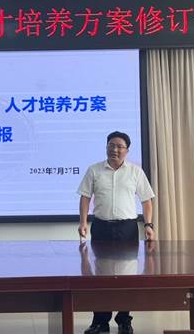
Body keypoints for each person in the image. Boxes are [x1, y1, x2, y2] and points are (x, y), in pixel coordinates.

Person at [77, 131, 156, 334]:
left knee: (127, 276)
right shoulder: (94, 170)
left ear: (127, 150)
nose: (115, 149)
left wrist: (148, 225)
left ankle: (124, 320)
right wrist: (83, 222)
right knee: (100, 277)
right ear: (106, 147)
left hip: (126, 229)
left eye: (119, 146)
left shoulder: (135, 172)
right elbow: (85, 197)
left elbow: (147, 200)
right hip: (101, 227)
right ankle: (100, 322)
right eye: (111, 145)